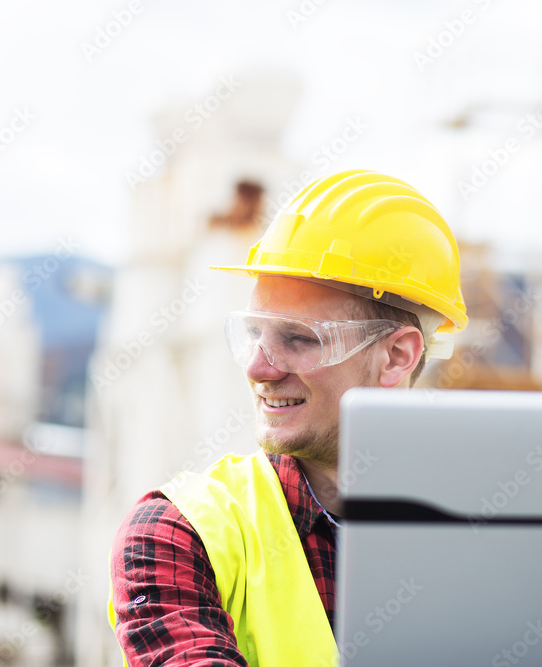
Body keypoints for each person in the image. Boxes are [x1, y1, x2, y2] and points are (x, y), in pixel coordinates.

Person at [107, 169, 468, 666]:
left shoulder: (497, 530)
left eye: (300, 339)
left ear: (397, 357)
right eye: (254, 334)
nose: (258, 368)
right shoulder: (180, 533)